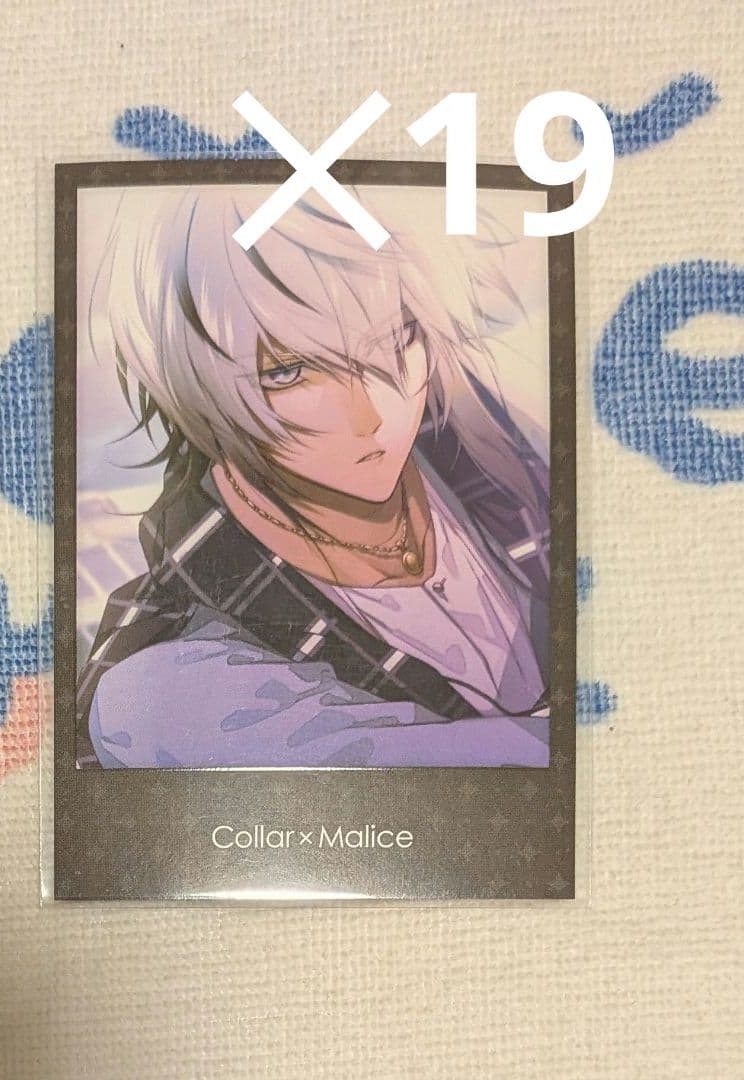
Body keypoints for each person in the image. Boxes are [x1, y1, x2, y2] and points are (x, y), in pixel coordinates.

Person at [76, 184, 551, 769]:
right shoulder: (174, 682)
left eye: (395, 337)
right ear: (194, 385)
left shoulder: (492, 444)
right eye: (290, 371)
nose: (372, 415)